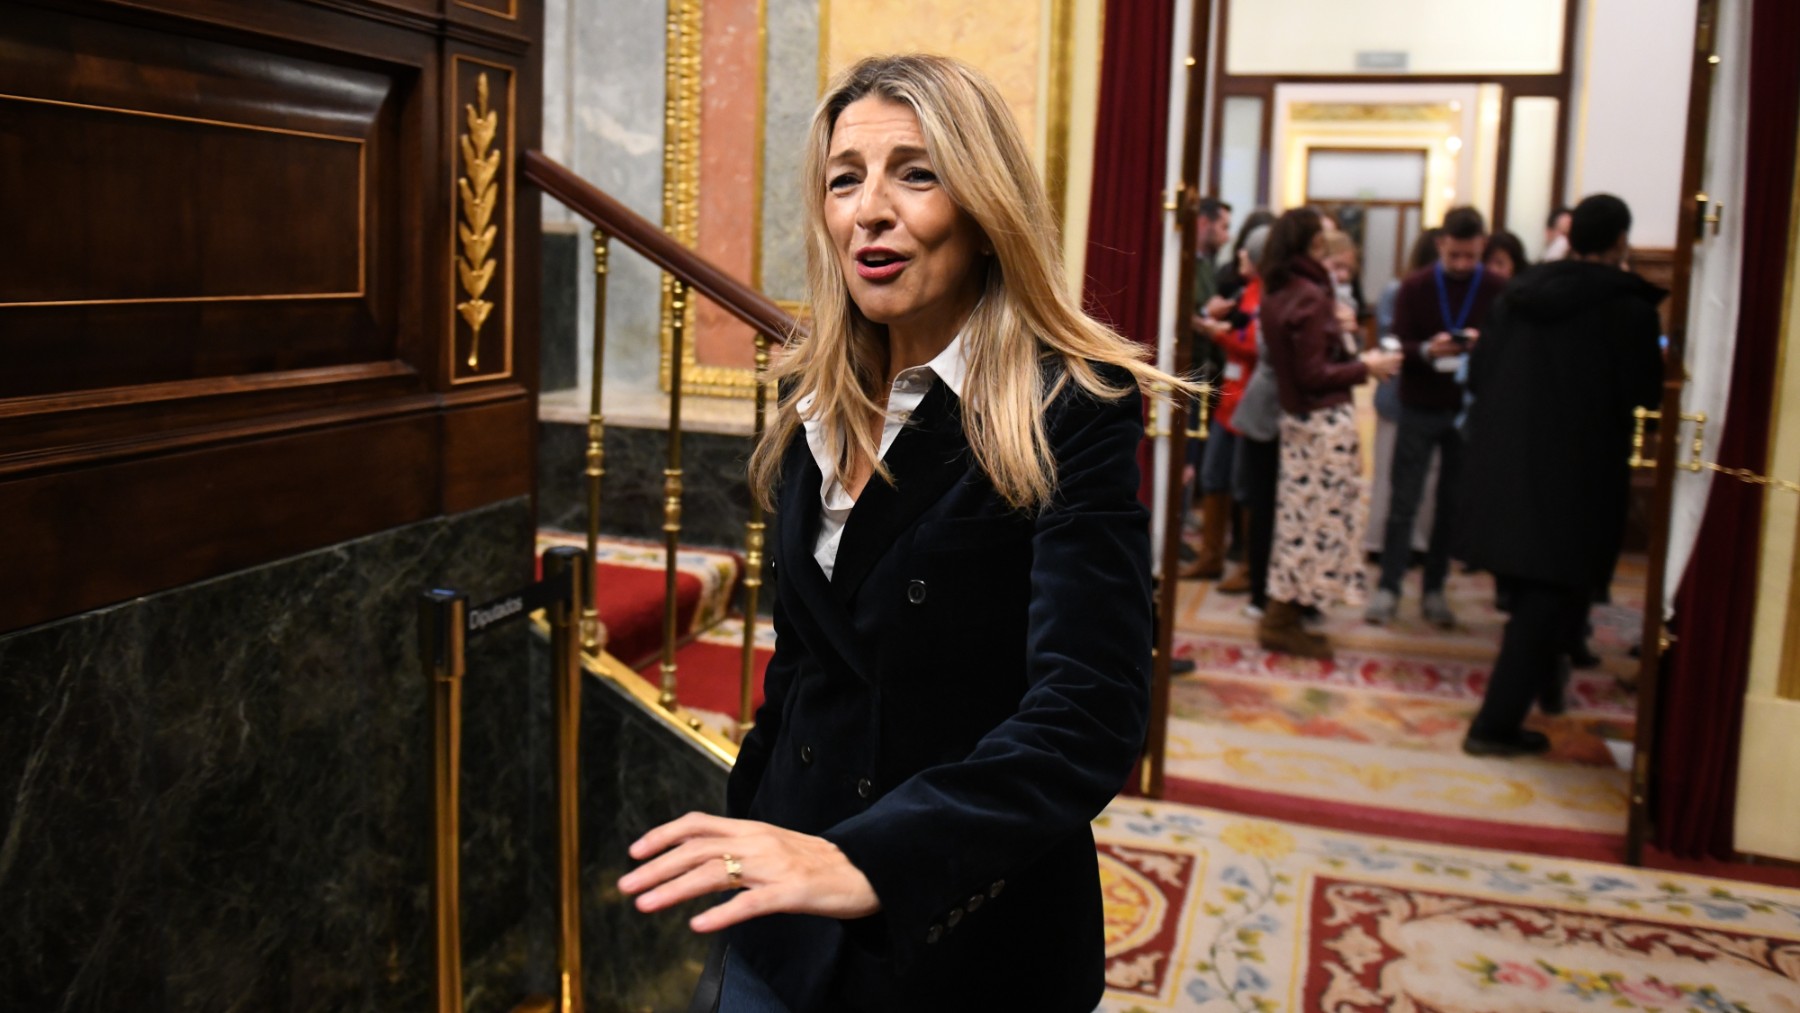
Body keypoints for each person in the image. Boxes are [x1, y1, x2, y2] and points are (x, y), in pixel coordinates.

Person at [617, 55, 1196, 1012]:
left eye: (915, 174)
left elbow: (1087, 712)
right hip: (783, 908)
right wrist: (755, 815)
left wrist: (871, 857)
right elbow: (805, 662)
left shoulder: (1069, 407)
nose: (870, 210)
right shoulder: (812, 400)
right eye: (846, 178)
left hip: (958, 924)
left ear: (982, 205)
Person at [1456, 194, 1663, 755]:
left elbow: (1479, 372)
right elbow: (1645, 398)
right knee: (1547, 598)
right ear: (1621, 240)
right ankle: (1492, 726)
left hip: (1507, 458)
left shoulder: (1520, 296)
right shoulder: (1629, 310)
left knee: (1537, 595)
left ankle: (1546, 689)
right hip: (1577, 473)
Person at [1257, 209, 1402, 659]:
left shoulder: (1280, 291)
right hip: (1321, 425)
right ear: (1312, 244)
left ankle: (1289, 616)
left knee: (1302, 524)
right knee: (1315, 527)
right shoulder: (1309, 295)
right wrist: (1368, 367)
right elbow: (1314, 374)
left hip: (1300, 424)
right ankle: (1282, 621)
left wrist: (1342, 336)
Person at [1366, 207, 1506, 629]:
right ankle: (1389, 587)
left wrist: (1482, 345)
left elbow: (1509, 347)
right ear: (1441, 244)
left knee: (1451, 504)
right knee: (1403, 499)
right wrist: (1428, 350)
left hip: (1467, 409)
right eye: (1455, 255)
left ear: (1482, 245)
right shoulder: (1416, 286)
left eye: (1470, 256)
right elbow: (1397, 345)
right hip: (1419, 403)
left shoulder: (1499, 289)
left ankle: (1434, 589)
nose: (1463, 264)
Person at [1366, 229, 1442, 558]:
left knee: (1425, 474)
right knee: (1387, 470)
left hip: (1428, 393)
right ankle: (1380, 542)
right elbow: (1389, 340)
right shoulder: (1399, 290)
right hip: (1397, 390)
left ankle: (1416, 542)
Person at [1203, 224, 1268, 594]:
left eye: (1247, 252)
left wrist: (1219, 334)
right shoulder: (1245, 290)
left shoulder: (1266, 294)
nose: (1240, 255)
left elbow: (1257, 348)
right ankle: (1212, 556)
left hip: (1249, 401)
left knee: (1245, 488)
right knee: (1214, 476)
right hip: (1229, 396)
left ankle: (1246, 565)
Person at [1179, 196, 1236, 579]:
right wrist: (1205, 317)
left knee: (1193, 452)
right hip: (1184, 367)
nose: (1227, 235)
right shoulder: (1183, 261)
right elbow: (1180, 311)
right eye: (1223, 226)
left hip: (1203, 366)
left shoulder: (1207, 265)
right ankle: (1173, 529)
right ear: (1204, 223)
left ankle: (1180, 521)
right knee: (1183, 453)